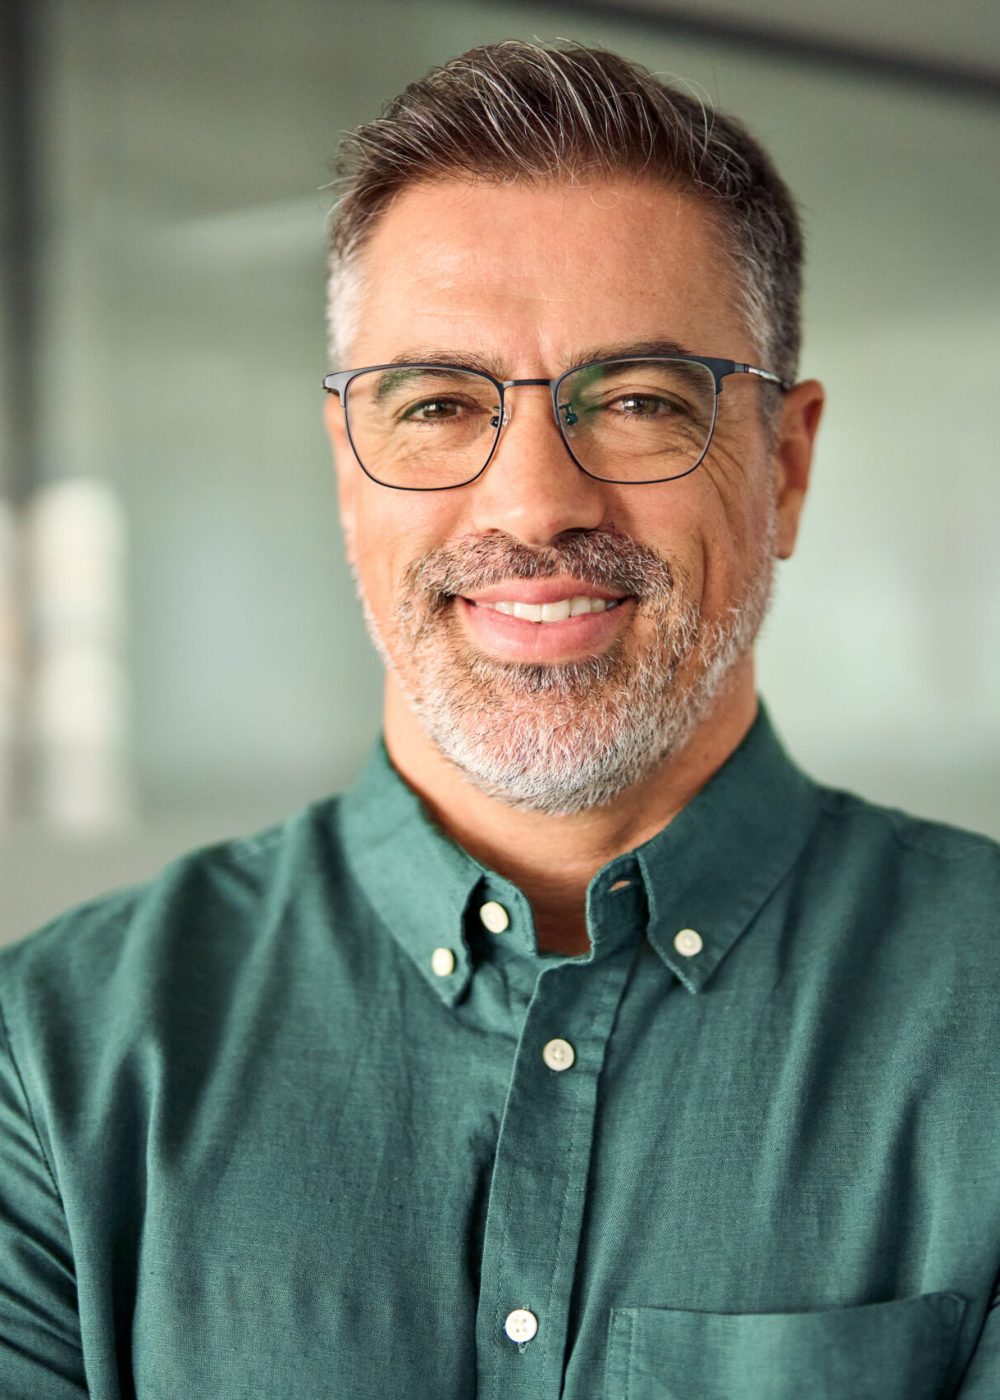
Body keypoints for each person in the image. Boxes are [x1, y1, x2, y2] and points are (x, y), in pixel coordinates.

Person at [1, 39, 997, 1400]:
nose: (535, 505)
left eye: (641, 401)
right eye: (439, 405)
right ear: (348, 478)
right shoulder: (50, 1064)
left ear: (787, 464)